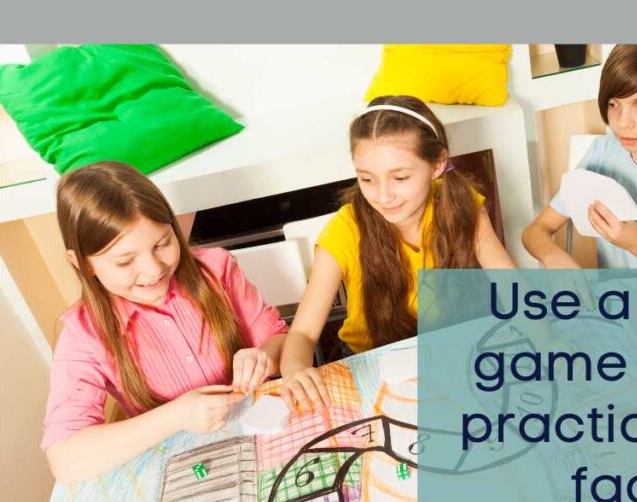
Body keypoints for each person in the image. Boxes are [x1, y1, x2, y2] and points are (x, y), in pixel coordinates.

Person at [42, 161, 289, 482]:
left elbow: (283, 340)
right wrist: (176, 415)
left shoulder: (216, 269)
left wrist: (265, 356)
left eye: (162, 244)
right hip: (186, 471)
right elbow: (66, 460)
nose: (154, 269)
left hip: (266, 441)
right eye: (125, 261)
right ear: (83, 264)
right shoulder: (83, 335)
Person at [279, 95, 514, 409]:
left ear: (438, 163)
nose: (384, 195)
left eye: (400, 177)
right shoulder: (346, 229)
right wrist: (295, 370)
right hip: (372, 367)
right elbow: (303, 334)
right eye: (367, 179)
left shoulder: (462, 205)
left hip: (452, 351)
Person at [523, 44, 637, 269]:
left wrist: (635, 242)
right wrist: (553, 256)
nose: (622, 122)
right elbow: (535, 231)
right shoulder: (603, 153)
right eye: (613, 104)